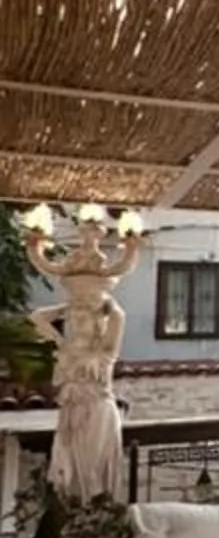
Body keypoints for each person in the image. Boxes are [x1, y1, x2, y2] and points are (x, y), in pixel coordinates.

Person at [28, 217, 142, 506]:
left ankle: (94, 519)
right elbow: (37, 317)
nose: (78, 319)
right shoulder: (66, 349)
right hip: (71, 413)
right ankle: (76, 519)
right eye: (75, 316)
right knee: (68, 477)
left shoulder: (103, 352)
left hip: (98, 412)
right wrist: (68, 308)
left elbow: (118, 317)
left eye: (84, 315)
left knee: (93, 477)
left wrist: (102, 303)